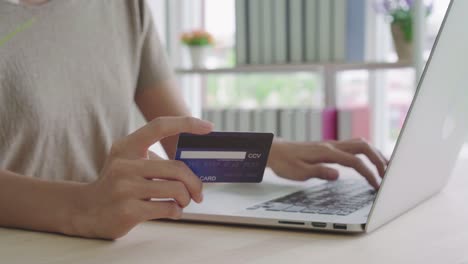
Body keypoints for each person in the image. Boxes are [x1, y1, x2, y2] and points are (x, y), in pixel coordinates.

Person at [0, 0, 387, 240]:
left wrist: (269, 151)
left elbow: (178, 138)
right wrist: (84, 209)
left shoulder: (123, 5)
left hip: (114, 244)